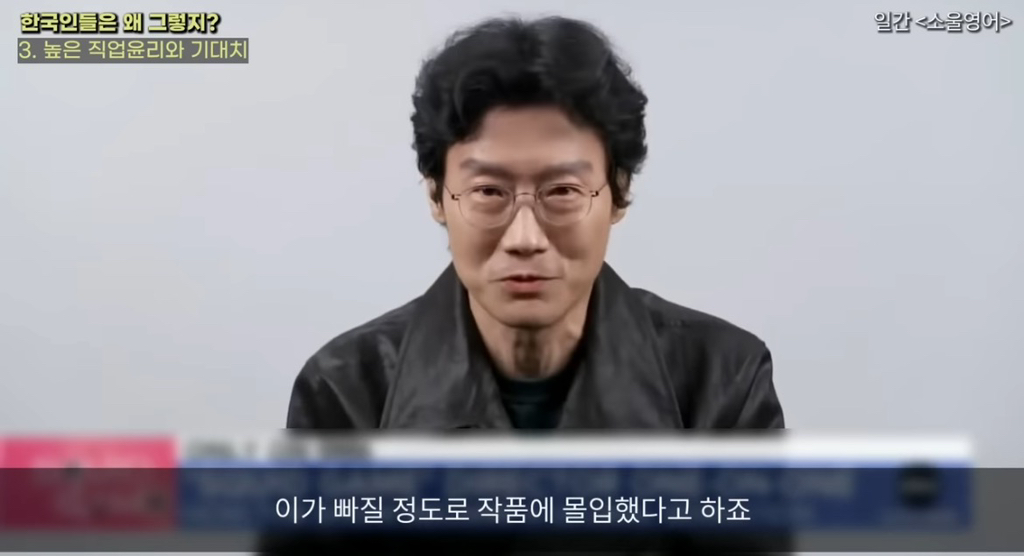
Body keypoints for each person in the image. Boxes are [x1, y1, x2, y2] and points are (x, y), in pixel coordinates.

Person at [269, 15, 788, 555]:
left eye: (561, 191)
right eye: (488, 192)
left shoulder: (721, 382)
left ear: (617, 193)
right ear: (436, 197)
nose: (524, 238)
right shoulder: (346, 392)